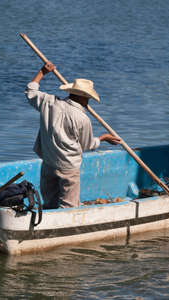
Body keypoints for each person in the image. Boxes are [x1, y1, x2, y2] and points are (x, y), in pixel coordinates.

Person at [25, 61, 121, 209]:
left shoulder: (49, 102)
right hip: (68, 168)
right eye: (88, 98)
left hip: (49, 162)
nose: (88, 101)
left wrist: (42, 72)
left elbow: (30, 92)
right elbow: (88, 145)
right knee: (68, 207)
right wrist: (104, 138)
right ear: (83, 97)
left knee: (49, 204)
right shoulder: (82, 119)